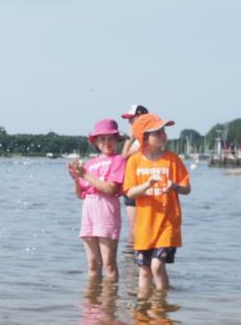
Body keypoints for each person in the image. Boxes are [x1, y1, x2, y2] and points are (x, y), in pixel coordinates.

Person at [123, 113, 191, 296]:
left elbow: (187, 189)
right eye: (158, 132)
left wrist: (175, 186)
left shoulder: (172, 159)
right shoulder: (134, 161)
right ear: (144, 137)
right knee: (144, 271)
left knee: (157, 266)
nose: (163, 135)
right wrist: (147, 185)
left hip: (168, 223)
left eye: (164, 131)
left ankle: (160, 305)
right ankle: (143, 307)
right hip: (144, 226)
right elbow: (129, 192)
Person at [68, 118, 126, 281]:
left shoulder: (118, 160)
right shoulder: (90, 163)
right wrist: (76, 179)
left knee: (109, 264)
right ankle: (93, 295)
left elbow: (111, 188)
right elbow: (80, 194)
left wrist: (85, 175)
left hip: (106, 209)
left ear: (117, 140)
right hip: (89, 210)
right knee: (93, 264)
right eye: (103, 139)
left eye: (111, 138)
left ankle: (109, 296)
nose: (107, 142)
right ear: (96, 141)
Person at [119, 104, 149, 238]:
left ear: (141, 117)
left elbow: (124, 155)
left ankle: (136, 249)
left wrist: (129, 138)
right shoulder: (140, 138)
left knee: (137, 228)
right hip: (133, 183)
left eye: (132, 118)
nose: (129, 122)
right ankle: (132, 249)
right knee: (134, 228)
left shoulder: (145, 137)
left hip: (141, 184)